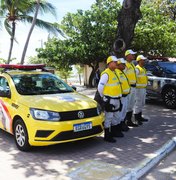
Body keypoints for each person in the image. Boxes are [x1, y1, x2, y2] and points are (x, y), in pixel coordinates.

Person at [98, 56, 123, 143]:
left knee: (116, 116)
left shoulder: (115, 72)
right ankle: (107, 136)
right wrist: (104, 98)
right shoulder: (106, 74)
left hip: (116, 98)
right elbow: (100, 87)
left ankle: (114, 132)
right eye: (115, 62)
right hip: (110, 99)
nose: (117, 63)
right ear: (110, 63)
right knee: (108, 117)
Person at [124, 49, 139, 127]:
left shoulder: (133, 64)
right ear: (127, 55)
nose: (133, 56)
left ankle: (129, 121)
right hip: (128, 87)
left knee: (131, 105)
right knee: (126, 106)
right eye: (132, 54)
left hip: (133, 87)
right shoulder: (125, 65)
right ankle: (125, 122)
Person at [115, 58, 131, 131]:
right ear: (118, 65)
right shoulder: (117, 73)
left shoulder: (122, 72)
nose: (124, 65)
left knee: (124, 111)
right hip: (121, 97)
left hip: (126, 96)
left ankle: (122, 124)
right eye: (123, 64)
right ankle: (119, 126)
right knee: (120, 112)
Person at [134, 55, 148, 124]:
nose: (144, 61)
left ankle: (140, 116)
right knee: (138, 103)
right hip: (138, 89)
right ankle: (136, 118)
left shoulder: (143, 68)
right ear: (139, 60)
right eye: (143, 60)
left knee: (142, 103)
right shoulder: (137, 69)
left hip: (143, 88)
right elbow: (134, 79)